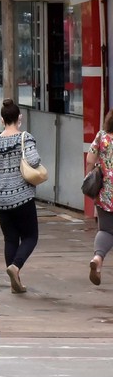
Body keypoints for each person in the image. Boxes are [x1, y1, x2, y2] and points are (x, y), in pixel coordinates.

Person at [0, 100, 42, 294]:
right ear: (19, 118)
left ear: (2, 120)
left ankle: (15, 281)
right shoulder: (25, 137)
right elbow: (34, 160)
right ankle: (15, 266)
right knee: (31, 236)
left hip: (0, 199)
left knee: (10, 239)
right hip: (22, 196)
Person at [85, 109, 113, 287]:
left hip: (106, 193)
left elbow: (90, 159)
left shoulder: (102, 137)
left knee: (106, 230)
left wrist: (89, 175)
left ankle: (97, 258)